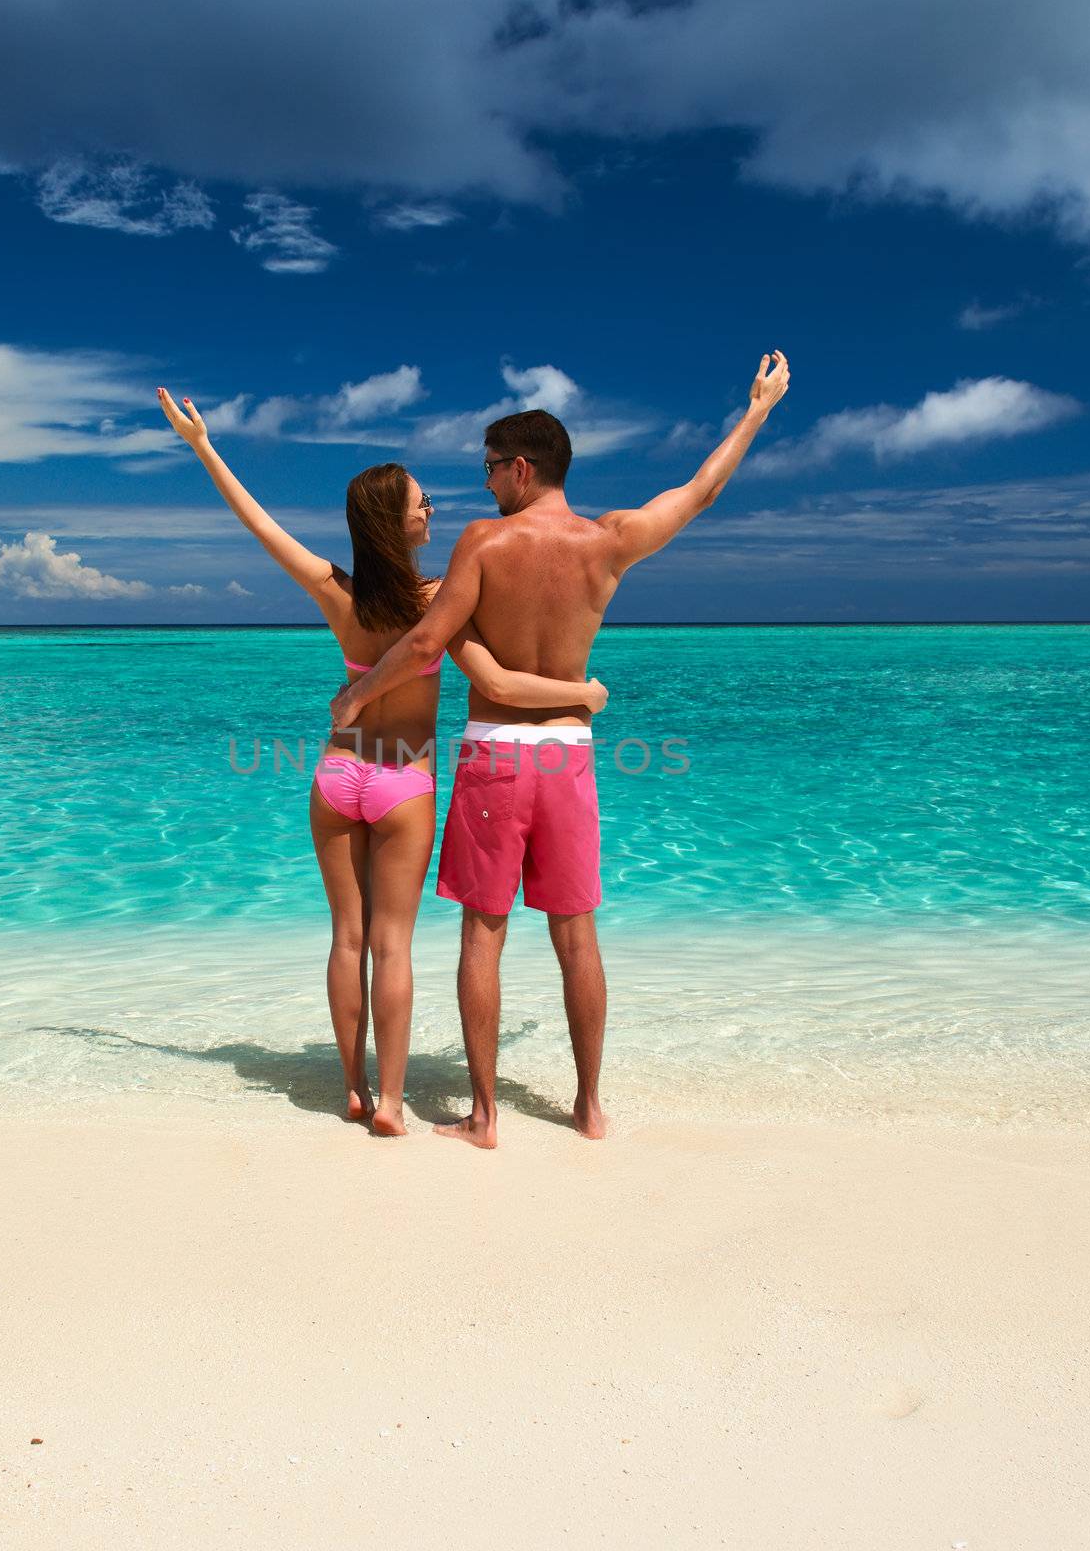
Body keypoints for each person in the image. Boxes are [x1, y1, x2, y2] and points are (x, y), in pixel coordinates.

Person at [330, 351, 792, 1148]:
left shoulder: (485, 541)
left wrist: (356, 697)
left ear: (519, 467)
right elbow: (700, 492)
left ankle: (484, 1118)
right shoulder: (608, 541)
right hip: (569, 761)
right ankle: (588, 1108)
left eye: (488, 469)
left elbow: (427, 641)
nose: (482, 485)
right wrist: (755, 412)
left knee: (485, 931)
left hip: (494, 760)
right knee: (577, 934)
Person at [156, 388, 609, 1137]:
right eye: (420, 502)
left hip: (336, 775)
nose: (432, 508)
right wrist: (584, 693)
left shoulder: (337, 591)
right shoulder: (439, 602)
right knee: (392, 942)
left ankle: (354, 1090)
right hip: (403, 781)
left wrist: (203, 447)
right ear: (394, 520)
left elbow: (259, 524)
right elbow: (494, 683)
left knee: (347, 938)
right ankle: (393, 1103)